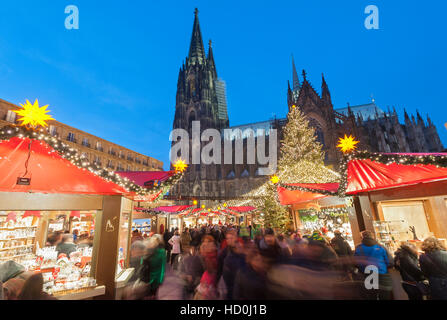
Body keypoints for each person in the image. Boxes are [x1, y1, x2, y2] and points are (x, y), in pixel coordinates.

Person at [354, 230, 394, 300]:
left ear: (362, 238)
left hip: (367, 276)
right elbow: (390, 262)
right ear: (372, 237)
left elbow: (356, 263)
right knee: (385, 296)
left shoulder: (358, 248)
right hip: (382, 276)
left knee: (371, 296)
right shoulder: (381, 247)